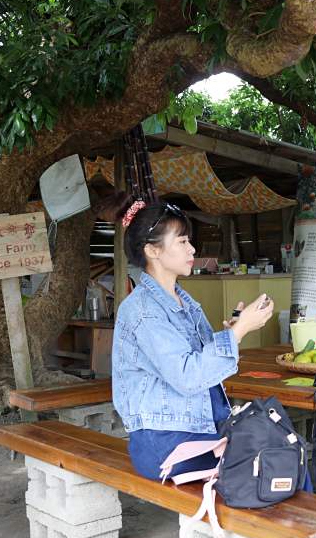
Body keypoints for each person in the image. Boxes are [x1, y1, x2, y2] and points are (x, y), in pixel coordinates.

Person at [110, 198, 274, 480]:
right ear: (152, 250)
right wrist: (239, 331)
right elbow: (188, 376)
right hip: (165, 443)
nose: (192, 249)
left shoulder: (184, 302)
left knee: (280, 445)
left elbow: (200, 366)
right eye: (183, 241)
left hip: (197, 429)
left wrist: (231, 332)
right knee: (270, 462)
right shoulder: (143, 311)